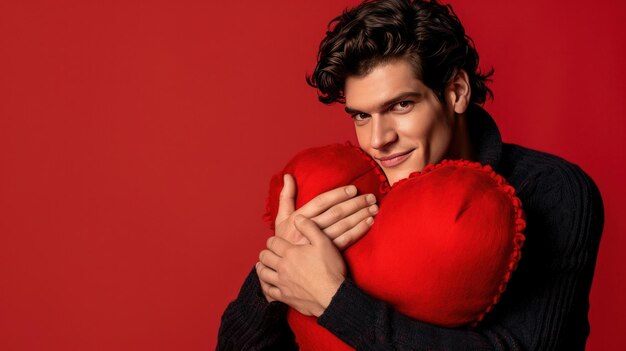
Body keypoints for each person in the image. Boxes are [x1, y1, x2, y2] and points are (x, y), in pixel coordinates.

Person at [217, 0, 604, 349]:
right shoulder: (349, 195)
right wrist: (272, 276)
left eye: (401, 105)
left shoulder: (553, 189)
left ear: (455, 92)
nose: (378, 140)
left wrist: (331, 299)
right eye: (361, 116)